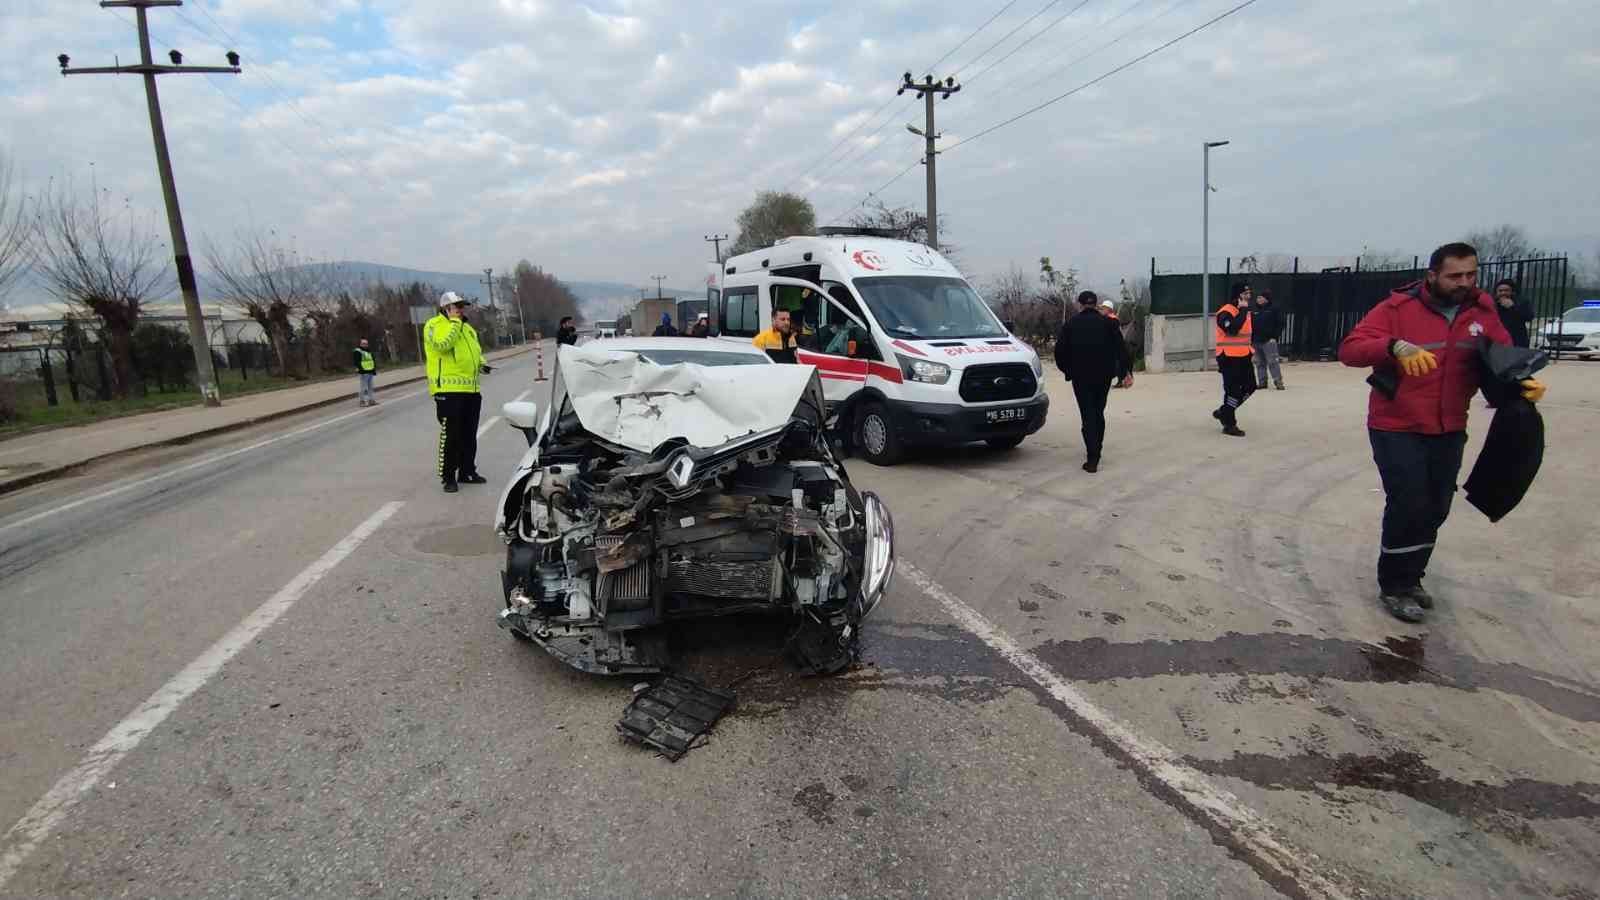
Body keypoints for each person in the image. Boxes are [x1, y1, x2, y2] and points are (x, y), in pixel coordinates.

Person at [1338, 242, 1546, 623]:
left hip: (1450, 425)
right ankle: (1395, 585)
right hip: (1396, 423)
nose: (1464, 283)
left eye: (1470, 275)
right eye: (1454, 276)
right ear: (1432, 275)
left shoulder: (1483, 312)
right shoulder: (1397, 310)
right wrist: (1393, 346)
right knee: (1409, 501)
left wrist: (1521, 384)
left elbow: (1500, 359)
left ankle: (1412, 575)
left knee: (1436, 505)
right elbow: (1350, 349)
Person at [1055, 291, 1133, 473]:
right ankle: (1097, 449)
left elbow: (1059, 353)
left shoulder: (1070, 325)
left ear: (1080, 304)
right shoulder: (1109, 323)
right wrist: (1125, 372)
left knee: (1087, 414)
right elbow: (1121, 349)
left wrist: (1069, 372)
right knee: (1098, 412)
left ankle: (1092, 457)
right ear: (1096, 304)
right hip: (1104, 376)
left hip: (1081, 378)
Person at [424, 291, 494, 494]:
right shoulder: (434, 325)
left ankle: (467, 471)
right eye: (457, 306)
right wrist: (454, 323)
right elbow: (443, 345)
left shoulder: (468, 329)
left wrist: (482, 365)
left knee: (469, 434)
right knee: (451, 434)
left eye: (462, 306)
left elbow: (475, 353)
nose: (461, 310)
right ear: (446, 308)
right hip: (448, 389)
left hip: (471, 389)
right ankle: (448, 477)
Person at [1211, 283, 1255, 436]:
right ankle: (1229, 424)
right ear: (1238, 296)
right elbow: (1233, 329)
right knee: (1233, 391)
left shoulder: (1246, 311)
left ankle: (1225, 411)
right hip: (1228, 357)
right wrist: (1243, 310)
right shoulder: (1225, 312)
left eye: (1249, 293)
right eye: (1246, 293)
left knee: (1251, 387)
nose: (1249, 296)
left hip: (1244, 355)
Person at [1251, 288, 1286, 390]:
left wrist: (1274, 337)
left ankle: (1278, 381)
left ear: (1266, 299)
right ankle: (1262, 382)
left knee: (1272, 362)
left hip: (1268, 341)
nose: (1258, 299)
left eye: (1260, 297)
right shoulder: (1254, 310)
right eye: (1257, 297)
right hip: (1256, 341)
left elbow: (1281, 323)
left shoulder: (1274, 309)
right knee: (1259, 363)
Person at [1493, 278, 1535, 348]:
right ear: (1496, 293)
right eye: (1500, 291)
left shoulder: (1521, 302)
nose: (1503, 293)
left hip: (1517, 343)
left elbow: (1529, 317)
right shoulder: (1492, 305)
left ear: (1512, 292)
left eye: (1506, 290)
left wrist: (1513, 307)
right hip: (1497, 343)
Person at [352, 337, 378, 407]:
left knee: (371, 387)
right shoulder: (357, 351)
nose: (365, 345)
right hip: (363, 372)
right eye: (363, 343)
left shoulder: (369, 351)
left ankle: (371, 400)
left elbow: (372, 361)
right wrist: (360, 370)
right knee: (363, 388)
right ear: (360, 344)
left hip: (370, 371)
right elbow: (356, 362)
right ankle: (362, 401)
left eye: (366, 343)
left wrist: (374, 370)